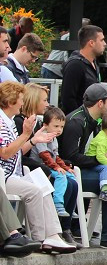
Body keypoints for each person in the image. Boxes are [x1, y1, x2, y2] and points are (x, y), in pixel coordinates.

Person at [0, 82, 77, 254]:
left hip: (15, 172)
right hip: (5, 175)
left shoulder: (9, 121)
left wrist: (34, 140)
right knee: (34, 191)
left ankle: (53, 235)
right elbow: (5, 153)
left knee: (44, 186)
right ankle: (39, 238)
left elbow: (17, 152)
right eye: (20, 100)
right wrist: (27, 135)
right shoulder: (1, 122)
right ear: (11, 102)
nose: (22, 103)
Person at [60, 83, 107, 250]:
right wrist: (100, 160)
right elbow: (71, 157)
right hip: (72, 173)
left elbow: (99, 149)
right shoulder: (77, 121)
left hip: (88, 168)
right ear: (100, 103)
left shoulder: (96, 121)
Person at [33, 106, 79, 222]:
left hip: (51, 166)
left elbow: (56, 157)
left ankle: (70, 207)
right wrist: (58, 168)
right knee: (61, 176)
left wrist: (65, 167)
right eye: (56, 126)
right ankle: (58, 203)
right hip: (41, 167)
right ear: (45, 125)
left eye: (62, 127)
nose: (59, 130)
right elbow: (45, 156)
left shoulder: (54, 138)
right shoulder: (42, 136)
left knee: (72, 177)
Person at [60, 24, 106, 114]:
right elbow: (68, 99)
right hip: (79, 122)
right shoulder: (75, 65)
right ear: (91, 43)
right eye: (102, 40)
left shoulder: (94, 62)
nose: (105, 44)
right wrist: (81, 119)